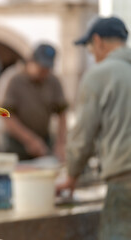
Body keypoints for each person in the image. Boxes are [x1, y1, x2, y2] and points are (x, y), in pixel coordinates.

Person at [57, 16, 131, 239]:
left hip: (125, 179)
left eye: (91, 51)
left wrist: (71, 175)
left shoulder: (99, 75)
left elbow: (83, 135)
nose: (94, 57)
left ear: (98, 41)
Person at [0, 44, 68, 161]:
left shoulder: (53, 81)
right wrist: (29, 140)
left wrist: (61, 143)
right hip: (15, 143)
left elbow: (62, 113)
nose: (45, 72)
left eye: (48, 69)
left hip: (44, 140)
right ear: (31, 61)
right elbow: (6, 115)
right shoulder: (13, 80)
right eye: (41, 68)